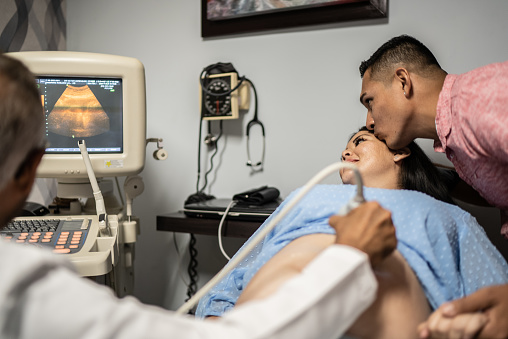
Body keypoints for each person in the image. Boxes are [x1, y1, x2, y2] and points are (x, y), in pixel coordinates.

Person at [0, 53, 401, 339]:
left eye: (365, 138)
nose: (351, 147)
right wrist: (350, 256)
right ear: (30, 169)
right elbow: (243, 284)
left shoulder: (426, 211)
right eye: (353, 139)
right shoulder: (22, 288)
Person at [196, 127, 508, 339]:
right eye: (344, 149)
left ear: (400, 151)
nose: (346, 153)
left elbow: (497, 298)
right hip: (265, 315)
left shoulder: (447, 215)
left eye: (359, 142)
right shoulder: (306, 197)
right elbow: (234, 275)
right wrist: (215, 319)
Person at [358, 34, 508, 338]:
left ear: (403, 81)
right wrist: (429, 175)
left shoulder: (480, 99)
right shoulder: (454, 135)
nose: (369, 120)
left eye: (370, 101)